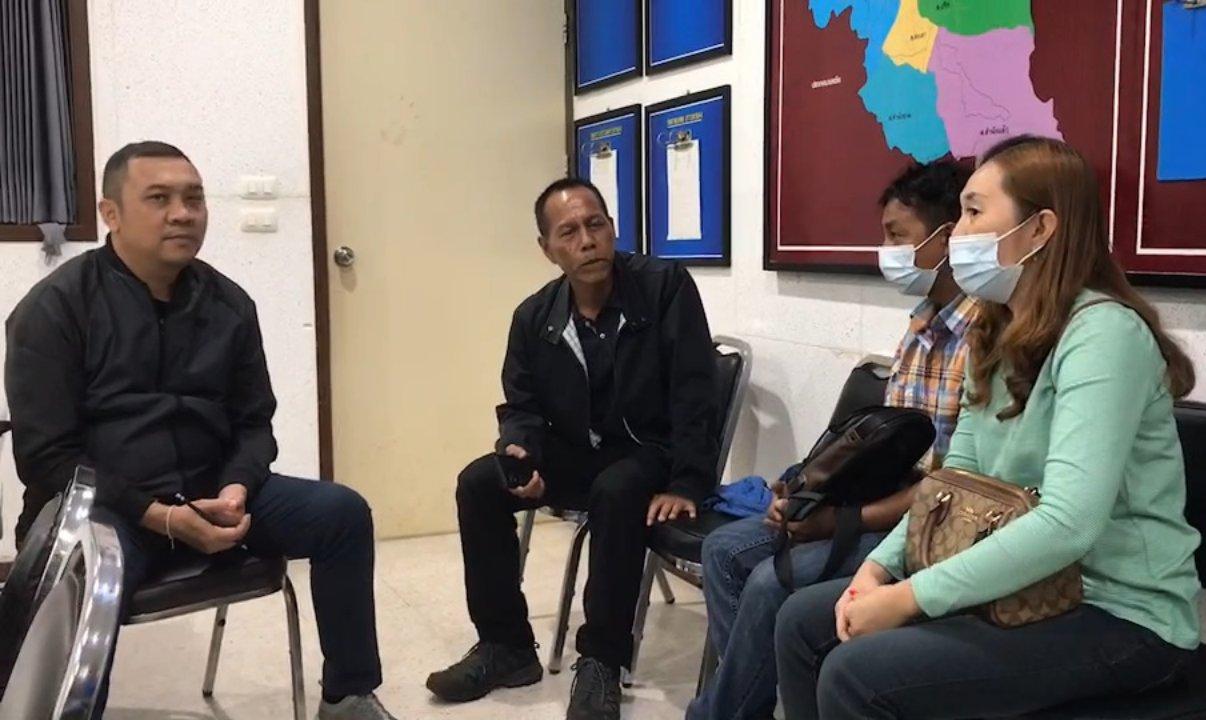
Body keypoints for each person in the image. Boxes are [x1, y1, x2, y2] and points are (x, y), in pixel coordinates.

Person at [776, 136, 1202, 719]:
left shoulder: (1103, 335)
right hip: (1028, 589)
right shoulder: (998, 331)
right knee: (802, 622)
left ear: (1040, 228)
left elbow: (1069, 524)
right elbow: (952, 480)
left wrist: (910, 597)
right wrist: (879, 570)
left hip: (1120, 613)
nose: (957, 233)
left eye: (975, 212)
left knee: (858, 674)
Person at [4, 142, 400, 720]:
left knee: (340, 513)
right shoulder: (55, 308)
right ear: (111, 213)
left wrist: (236, 488)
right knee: (83, 573)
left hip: (211, 490)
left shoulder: (229, 304)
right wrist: (158, 516)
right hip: (103, 510)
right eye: (159, 199)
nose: (182, 214)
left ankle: (348, 695)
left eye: (194, 199)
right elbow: (47, 456)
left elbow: (254, 422)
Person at [686, 160, 978, 720]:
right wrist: (805, 491)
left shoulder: (986, 339)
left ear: (945, 239)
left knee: (771, 584)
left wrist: (841, 521)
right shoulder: (922, 326)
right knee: (722, 551)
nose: (886, 252)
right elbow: (885, 452)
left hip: (932, 525)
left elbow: (951, 485)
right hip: (884, 502)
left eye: (897, 236)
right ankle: (744, 703)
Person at [426, 178, 718, 720]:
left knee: (617, 487)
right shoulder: (534, 317)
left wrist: (688, 481)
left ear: (612, 229)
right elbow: (521, 407)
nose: (587, 240)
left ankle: (602, 661)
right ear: (547, 249)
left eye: (595, 225)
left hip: (647, 454)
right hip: (573, 453)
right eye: (569, 232)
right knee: (479, 482)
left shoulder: (664, 287)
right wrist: (520, 451)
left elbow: (695, 390)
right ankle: (507, 646)